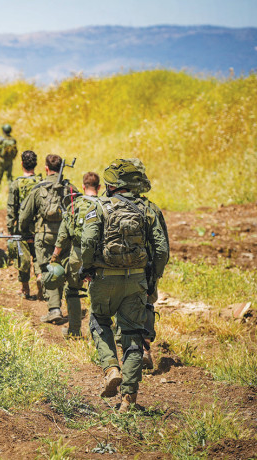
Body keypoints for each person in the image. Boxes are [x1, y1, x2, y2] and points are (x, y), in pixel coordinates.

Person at [79, 159, 168, 412]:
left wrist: (87, 269)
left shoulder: (99, 207)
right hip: (137, 280)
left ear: (112, 185)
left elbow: (88, 242)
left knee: (99, 321)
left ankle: (111, 368)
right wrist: (152, 280)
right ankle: (128, 400)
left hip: (105, 278)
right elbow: (161, 250)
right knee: (133, 336)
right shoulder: (149, 209)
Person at [19, 154, 78, 325]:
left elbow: (24, 216)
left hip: (44, 236)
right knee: (65, 269)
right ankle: (71, 312)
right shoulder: (70, 188)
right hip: (66, 236)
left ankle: (54, 309)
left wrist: (25, 232)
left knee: (49, 269)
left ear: (46, 168)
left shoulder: (38, 188)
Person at [126, 158, 169, 370]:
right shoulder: (152, 210)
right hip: (147, 270)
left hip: (122, 271)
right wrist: (156, 275)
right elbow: (162, 249)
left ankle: (126, 355)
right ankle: (145, 349)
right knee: (147, 305)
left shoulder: (113, 207)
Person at [50, 171, 101, 338]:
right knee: (101, 294)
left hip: (77, 255)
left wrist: (55, 255)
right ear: (99, 187)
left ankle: (74, 330)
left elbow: (63, 235)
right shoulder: (105, 205)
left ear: (83, 186)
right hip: (101, 256)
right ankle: (102, 334)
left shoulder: (74, 205)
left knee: (72, 290)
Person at [6, 150, 42, 300]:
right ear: (36, 164)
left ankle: (25, 288)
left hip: (22, 228)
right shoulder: (41, 183)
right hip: (38, 228)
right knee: (39, 257)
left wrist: (10, 228)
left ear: (21, 164)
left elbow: (11, 208)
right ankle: (40, 279)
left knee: (22, 257)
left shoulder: (16, 184)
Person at [0, 124, 18, 191]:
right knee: (9, 177)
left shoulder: (1, 140)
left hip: (1, 160)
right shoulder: (13, 140)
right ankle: (11, 190)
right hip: (10, 161)